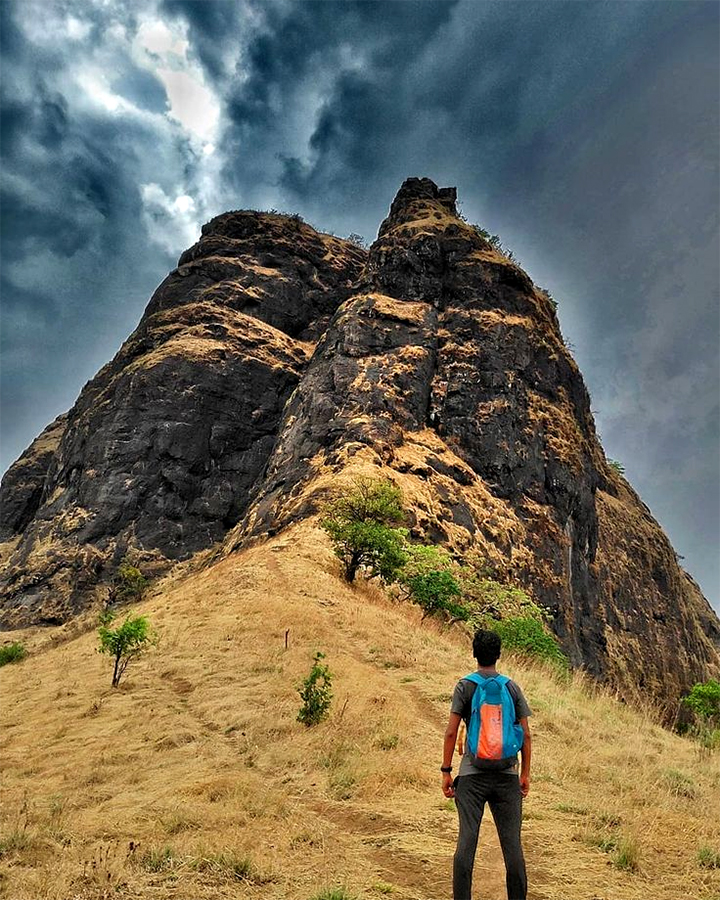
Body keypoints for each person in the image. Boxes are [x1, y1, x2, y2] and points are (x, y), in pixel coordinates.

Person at [441, 629, 532, 900]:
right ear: (499, 655)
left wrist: (446, 771)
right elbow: (526, 734)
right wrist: (524, 774)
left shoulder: (465, 686)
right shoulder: (511, 687)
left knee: (466, 844)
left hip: (471, 776)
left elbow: (450, 732)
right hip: (507, 777)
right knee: (513, 848)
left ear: (474, 653)